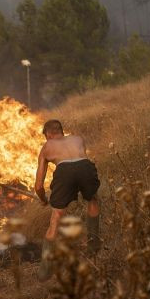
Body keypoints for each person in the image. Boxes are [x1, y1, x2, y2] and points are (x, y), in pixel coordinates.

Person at [34, 119, 101, 281]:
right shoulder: (77, 139)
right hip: (85, 166)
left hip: (64, 170)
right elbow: (78, 167)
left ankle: (45, 271)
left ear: (48, 134)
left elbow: (38, 186)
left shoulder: (46, 147)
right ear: (61, 131)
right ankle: (93, 246)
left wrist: (43, 199)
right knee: (93, 200)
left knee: (56, 218)